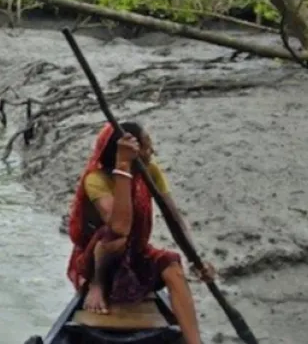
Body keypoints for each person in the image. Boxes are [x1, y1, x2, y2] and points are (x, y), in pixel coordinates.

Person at [66, 122, 216, 344]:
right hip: (101, 259)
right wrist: (123, 167)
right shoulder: (96, 179)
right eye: (146, 147)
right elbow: (119, 226)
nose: (151, 152)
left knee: (173, 267)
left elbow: (174, 219)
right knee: (115, 238)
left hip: (135, 252)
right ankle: (97, 285)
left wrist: (197, 260)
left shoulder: (150, 171)